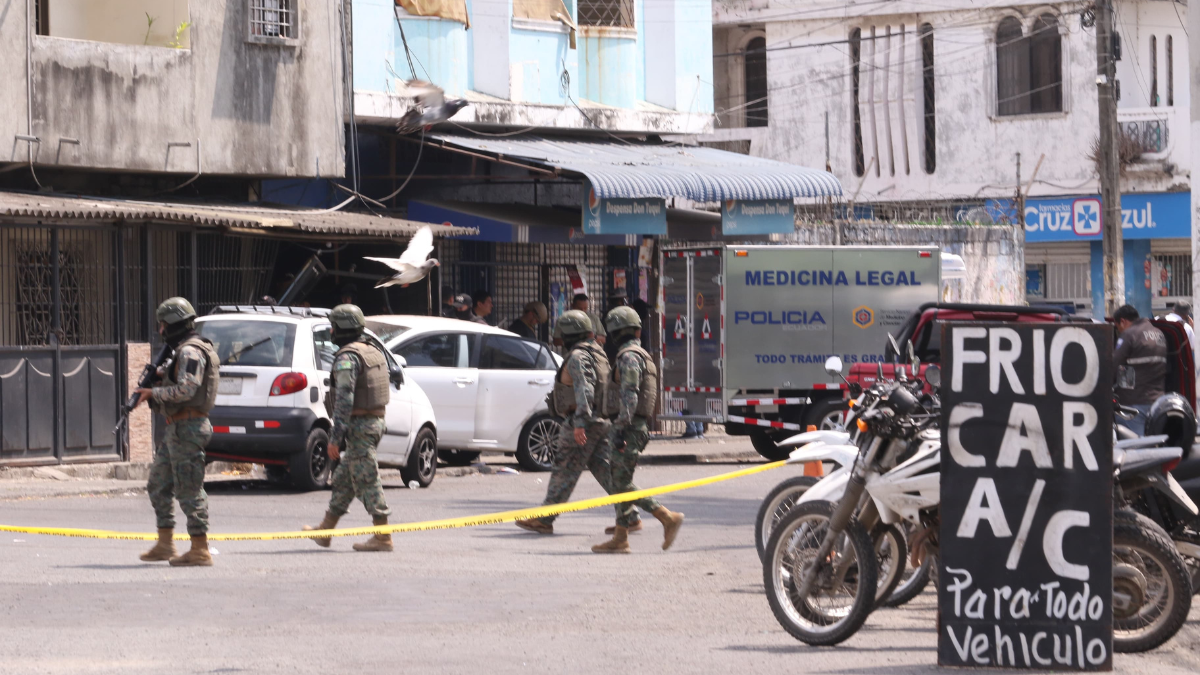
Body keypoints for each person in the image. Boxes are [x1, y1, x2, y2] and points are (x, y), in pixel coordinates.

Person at [514, 310, 630, 535]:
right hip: (600, 421)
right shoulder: (598, 353)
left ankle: (545, 519)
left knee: (564, 469)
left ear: (569, 334)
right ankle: (630, 515)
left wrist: (579, 423)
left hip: (583, 421)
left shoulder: (577, 356)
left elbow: (584, 389)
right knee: (604, 469)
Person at [134, 297, 221, 567]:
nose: (161, 330)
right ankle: (165, 543)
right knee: (158, 486)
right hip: (177, 428)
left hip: (190, 427)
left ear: (171, 324)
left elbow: (187, 389)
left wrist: (153, 391)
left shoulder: (191, 351)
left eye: (162, 325)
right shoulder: (182, 351)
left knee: (189, 489)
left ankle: (199, 549)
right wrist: (159, 376)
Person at [592, 306, 685, 554]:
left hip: (629, 427)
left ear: (614, 333)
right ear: (635, 330)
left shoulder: (629, 357)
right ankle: (621, 537)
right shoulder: (638, 354)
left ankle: (666, 517)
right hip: (633, 426)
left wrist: (620, 429)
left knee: (621, 483)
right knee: (621, 481)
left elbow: (630, 397)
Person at [304, 304, 394, 552]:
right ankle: (326, 529)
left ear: (341, 328)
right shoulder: (371, 350)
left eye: (333, 326)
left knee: (367, 478)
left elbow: (344, 400)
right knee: (345, 478)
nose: (331, 331)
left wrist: (335, 438)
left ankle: (383, 536)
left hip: (360, 425)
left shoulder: (347, 357)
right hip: (373, 421)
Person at [1113, 304, 1168, 435]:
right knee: (1154, 444)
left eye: (1117, 327)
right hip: (1158, 403)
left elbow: (1114, 365)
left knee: (1136, 449)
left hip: (1132, 404)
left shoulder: (1129, 334)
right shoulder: (1158, 333)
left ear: (1123, 321)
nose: (1119, 331)